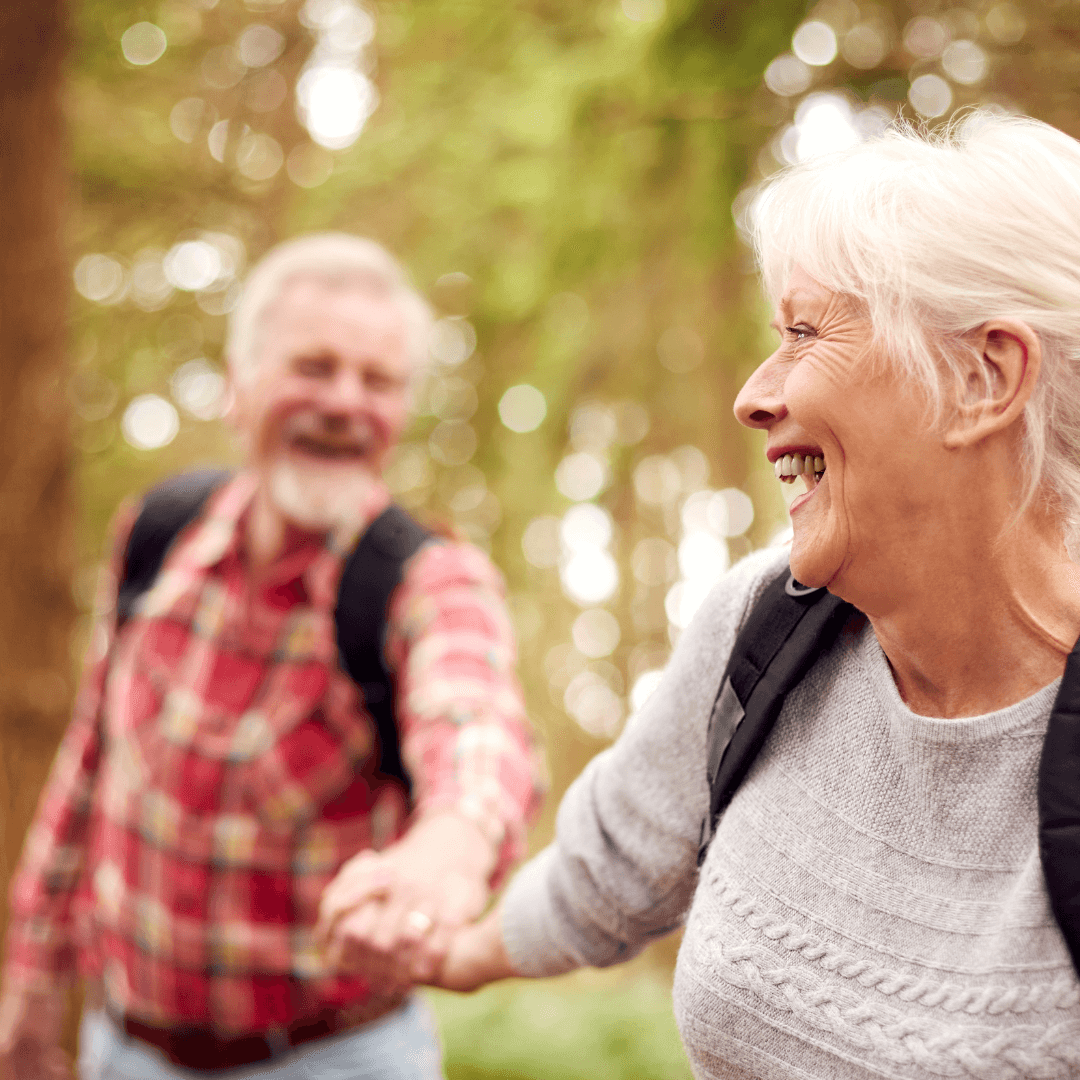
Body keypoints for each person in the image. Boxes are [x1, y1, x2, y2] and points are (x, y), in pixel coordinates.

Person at [428, 113, 1080, 1079]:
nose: (753, 394)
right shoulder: (767, 624)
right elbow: (614, 864)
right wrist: (444, 951)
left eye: (806, 334)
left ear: (984, 376)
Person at [0, 233, 543, 1080]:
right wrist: (32, 983)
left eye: (378, 382)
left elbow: (477, 730)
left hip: (336, 1057)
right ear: (237, 386)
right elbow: (89, 766)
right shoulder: (158, 534)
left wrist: (448, 852)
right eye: (314, 367)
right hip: (124, 1047)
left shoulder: (422, 582)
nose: (344, 402)